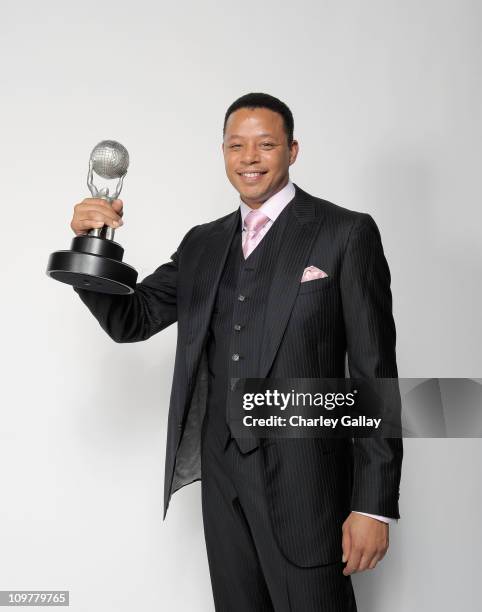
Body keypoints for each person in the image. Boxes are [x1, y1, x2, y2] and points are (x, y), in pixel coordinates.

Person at [71, 92, 403, 611]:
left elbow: (374, 374)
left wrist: (373, 506)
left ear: (292, 151)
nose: (249, 157)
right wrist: (94, 247)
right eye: (236, 145)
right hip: (221, 477)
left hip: (307, 483)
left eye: (265, 144)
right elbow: (131, 319)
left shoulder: (346, 232)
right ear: (223, 153)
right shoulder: (202, 244)